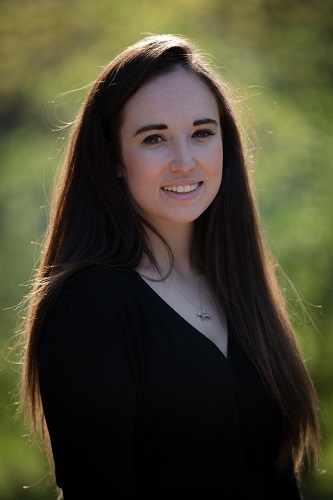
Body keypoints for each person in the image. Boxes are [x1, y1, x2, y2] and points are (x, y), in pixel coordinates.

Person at [21, 34, 320, 499]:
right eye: (154, 138)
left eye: (202, 133)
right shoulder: (88, 306)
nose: (185, 162)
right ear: (113, 160)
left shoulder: (240, 286)